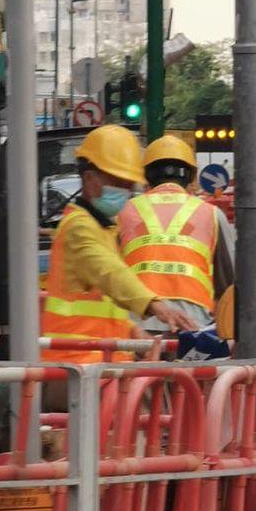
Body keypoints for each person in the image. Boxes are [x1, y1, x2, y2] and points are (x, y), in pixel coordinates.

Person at [41, 126, 197, 363]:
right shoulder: (78, 227)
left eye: (128, 184)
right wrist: (155, 305)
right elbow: (110, 273)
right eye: (117, 181)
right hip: (75, 364)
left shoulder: (103, 228)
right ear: (89, 177)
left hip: (101, 362)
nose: (124, 191)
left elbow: (103, 307)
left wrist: (133, 332)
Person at [117, 134, 235, 331]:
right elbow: (230, 287)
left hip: (134, 329)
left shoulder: (124, 211)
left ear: (145, 176)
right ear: (191, 177)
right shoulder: (211, 214)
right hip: (191, 328)